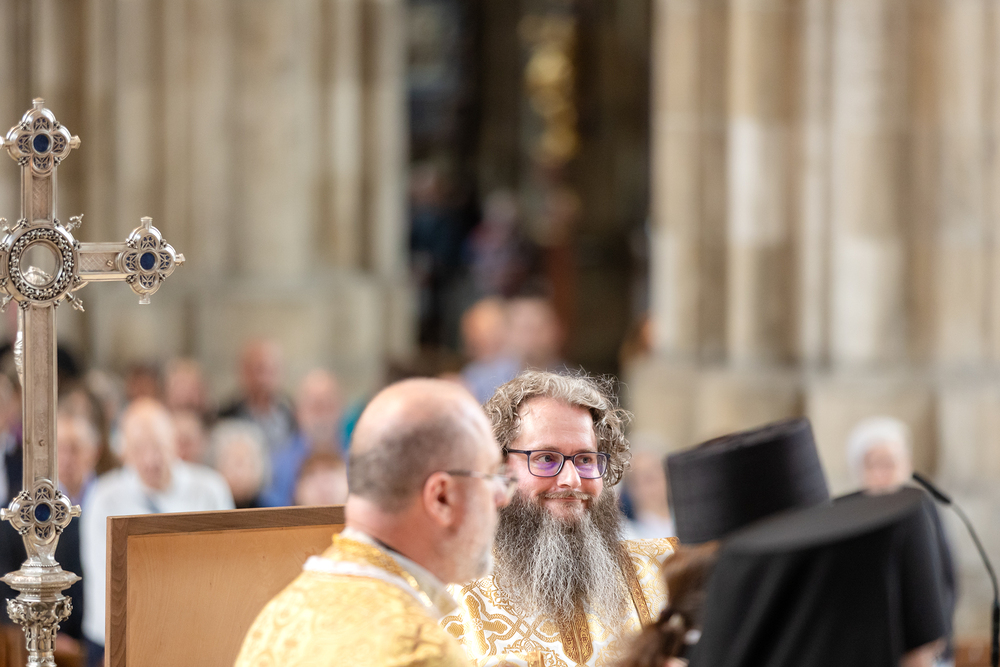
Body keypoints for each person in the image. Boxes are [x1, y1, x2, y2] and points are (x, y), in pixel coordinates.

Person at [235, 378, 512, 667]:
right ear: (441, 498)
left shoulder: (279, 616)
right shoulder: (421, 650)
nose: (502, 497)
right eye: (490, 476)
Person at [442, 370, 676, 667]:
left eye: (585, 459)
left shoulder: (665, 574)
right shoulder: (441, 598)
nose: (572, 479)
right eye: (546, 458)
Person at [81, 398, 234, 667]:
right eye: (139, 449)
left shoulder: (210, 488)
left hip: (197, 630)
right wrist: (117, 642)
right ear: (123, 451)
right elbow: (102, 575)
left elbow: (228, 563)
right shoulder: (104, 496)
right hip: (120, 633)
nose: (151, 460)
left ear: (174, 442)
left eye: (158, 447)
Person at [261, 368, 343, 506]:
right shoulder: (278, 465)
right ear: (298, 412)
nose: (322, 414)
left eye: (328, 405)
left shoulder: (356, 460)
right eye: (315, 406)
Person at [218, 339, 296, 453]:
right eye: (259, 369)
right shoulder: (226, 417)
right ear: (244, 372)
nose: (264, 379)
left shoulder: (294, 416)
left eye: (271, 370)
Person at [459, 298, 520, 404]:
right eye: (473, 330)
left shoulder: (519, 367)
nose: (478, 337)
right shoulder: (471, 373)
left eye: (489, 330)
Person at [211, 419, 270, 509]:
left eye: (243, 463)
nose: (238, 474)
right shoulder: (209, 506)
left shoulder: (268, 508)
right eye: (232, 464)